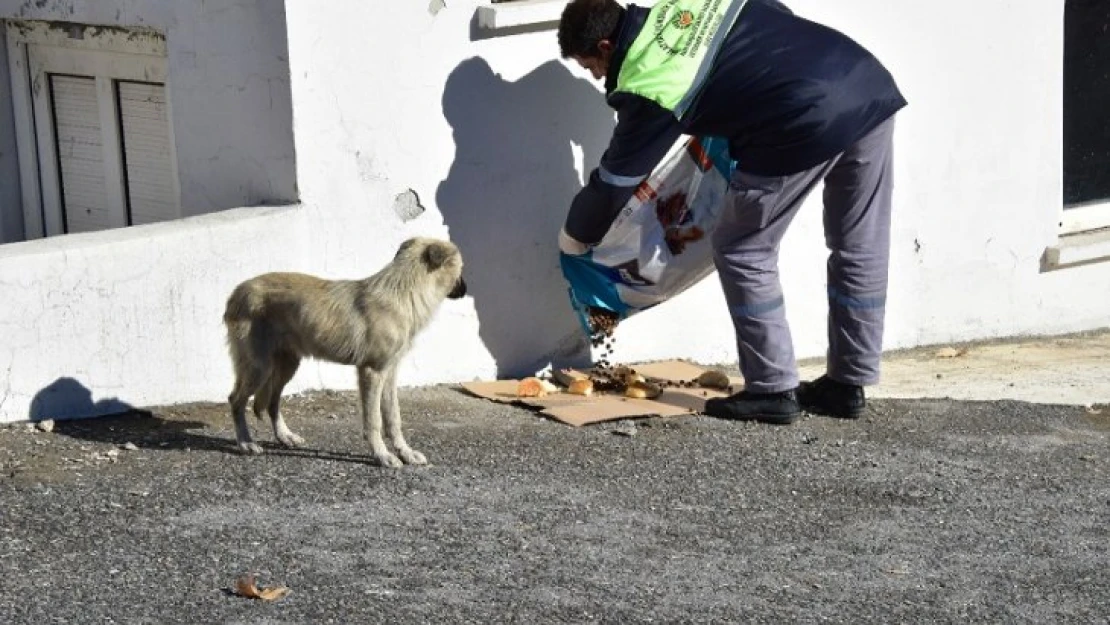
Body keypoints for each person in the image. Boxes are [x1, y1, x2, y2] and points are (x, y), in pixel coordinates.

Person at [557, 0, 906, 425]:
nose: (596, 77)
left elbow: (615, 183)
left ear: (607, 45)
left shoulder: (648, 80)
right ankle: (847, 384)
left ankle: (772, 389)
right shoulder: (687, 7)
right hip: (866, 83)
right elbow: (775, 12)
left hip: (801, 118)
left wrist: (574, 239)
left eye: (591, 65)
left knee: (743, 247)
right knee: (859, 243)